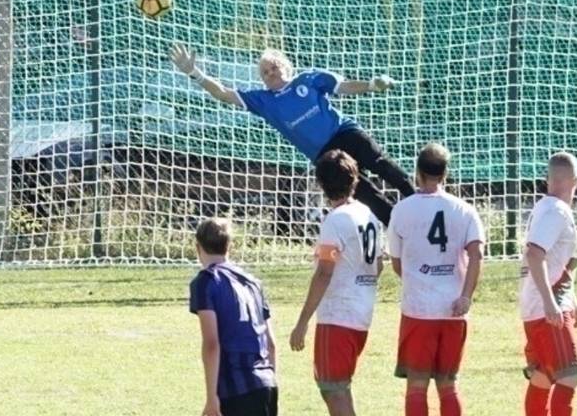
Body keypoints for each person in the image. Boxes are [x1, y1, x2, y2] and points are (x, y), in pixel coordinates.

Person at [171, 43, 415, 224]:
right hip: (324, 154)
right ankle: (401, 227)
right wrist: (196, 73)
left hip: (345, 132)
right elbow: (223, 93)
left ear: (286, 66)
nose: (270, 73)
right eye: (264, 72)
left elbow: (344, 86)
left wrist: (371, 85)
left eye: (273, 67)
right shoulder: (263, 101)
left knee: (380, 163)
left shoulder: (308, 79)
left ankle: (421, 200)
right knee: (362, 190)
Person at [387, 143, 484, 416]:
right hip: (454, 310)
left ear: (417, 172)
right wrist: (465, 295)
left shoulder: (402, 210)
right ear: (445, 174)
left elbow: (396, 262)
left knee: (416, 386)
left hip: (418, 310)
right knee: (448, 385)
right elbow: (477, 256)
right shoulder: (465, 210)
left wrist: (419, 281)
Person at [289, 150, 383, 416]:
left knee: (333, 388)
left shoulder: (337, 219)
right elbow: (378, 265)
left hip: (338, 317)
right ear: (354, 179)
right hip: (361, 313)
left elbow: (324, 273)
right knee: (339, 386)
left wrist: (302, 322)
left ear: (321, 184)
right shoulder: (368, 214)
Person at [189, 217, 278, 416]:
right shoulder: (253, 283)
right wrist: (272, 383)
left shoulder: (206, 281)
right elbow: (271, 343)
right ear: (230, 246)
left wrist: (212, 397)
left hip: (236, 388)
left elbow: (212, 343)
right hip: (267, 383)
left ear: (198, 247)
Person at [519, 152, 577, 416]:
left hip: (541, 306)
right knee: (570, 375)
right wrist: (550, 303)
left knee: (544, 376)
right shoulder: (557, 211)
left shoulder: (545, 208)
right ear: (576, 181)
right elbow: (535, 254)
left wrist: (573, 302)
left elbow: (558, 263)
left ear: (548, 180)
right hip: (547, 309)